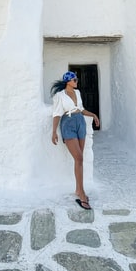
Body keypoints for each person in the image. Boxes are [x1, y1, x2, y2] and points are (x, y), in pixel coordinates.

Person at [51, 71, 100, 210]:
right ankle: (82, 193)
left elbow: (81, 109)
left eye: (76, 79)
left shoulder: (77, 93)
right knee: (78, 158)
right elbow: (56, 114)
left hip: (80, 123)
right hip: (68, 123)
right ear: (68, 81)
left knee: (80, 159)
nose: (76, 81)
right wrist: (54, 131)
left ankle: (78, 190)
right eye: (74, 79)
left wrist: (93, 115)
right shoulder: (59, 96)